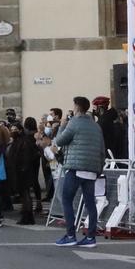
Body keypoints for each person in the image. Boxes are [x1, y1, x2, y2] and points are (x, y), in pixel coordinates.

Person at [50, 96, 106, 249]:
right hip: (92, 168)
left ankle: (70, 235)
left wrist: (62, 125)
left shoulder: (74, 123)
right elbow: (102, 149)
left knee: (66, 199)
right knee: (90, 203)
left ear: (76, 107)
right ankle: (90, 237)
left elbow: (60, 141)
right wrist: (98, 168)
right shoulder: (96, 126)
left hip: (76, 167)